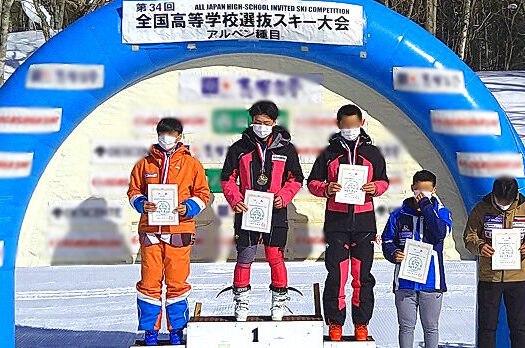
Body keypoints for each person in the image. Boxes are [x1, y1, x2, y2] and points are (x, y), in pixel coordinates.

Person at [307, 104, 389, 341]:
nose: (350, 129)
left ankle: (361, 323)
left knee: (362, 277)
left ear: (361, 124)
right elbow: (313, 183)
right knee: (337, 276)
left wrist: (376, 188)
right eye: (346, 126)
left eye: (354, 125)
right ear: (339, 125)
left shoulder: (373, 153)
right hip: (337, 223)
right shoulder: (328, 153)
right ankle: (335, 323)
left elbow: (383, 181)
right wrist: (326, 188)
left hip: (364, 224)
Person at [127, 118, 210, 346]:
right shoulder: (144, 164)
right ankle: (150, 332)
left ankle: (177, 331)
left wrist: (189, 207)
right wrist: (141, 203)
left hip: (179, 232)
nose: (166, 138)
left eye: (171, 134)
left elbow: (203, 194)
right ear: (157, 135)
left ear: (180, 137)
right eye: (162, 134)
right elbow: (133, 191)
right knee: (149, 283)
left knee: (177, 283)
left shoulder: (191, 165)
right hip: (151, 234)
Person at [220, 100, 304, 321]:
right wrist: (235, 199)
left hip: (275, 211)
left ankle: (279, 302)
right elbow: (227, 179)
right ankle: (241, 302)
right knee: (245, 256)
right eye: (257, 122)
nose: (261, 126)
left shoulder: (286, 148)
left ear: (274, 123)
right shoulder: (239, 148)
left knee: (274, 256)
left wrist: (284, 197)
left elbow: (296, 179)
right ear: (251, 121)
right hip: (247, 210)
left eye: (266, 123)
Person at [382, 170, 452, 348]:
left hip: (431, 281)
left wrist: (427, 207)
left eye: (427, 192)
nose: (421, 195)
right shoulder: (398, 215)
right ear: (413, 188)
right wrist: (393, 253)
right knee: (406, 327)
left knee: (431, 327)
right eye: (418, 191)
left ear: (434, 190)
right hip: (405, 280)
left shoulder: (442, 213)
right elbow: (387, 240)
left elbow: (438, 234)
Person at [463, 177, 525, 348]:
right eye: (499, 201)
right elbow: (469, 236)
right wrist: (480, 246)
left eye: (507, 202)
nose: (503, 205)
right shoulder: (482, 208)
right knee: (487, 327)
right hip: (490, 277)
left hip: (519, 278)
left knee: (520, 328)